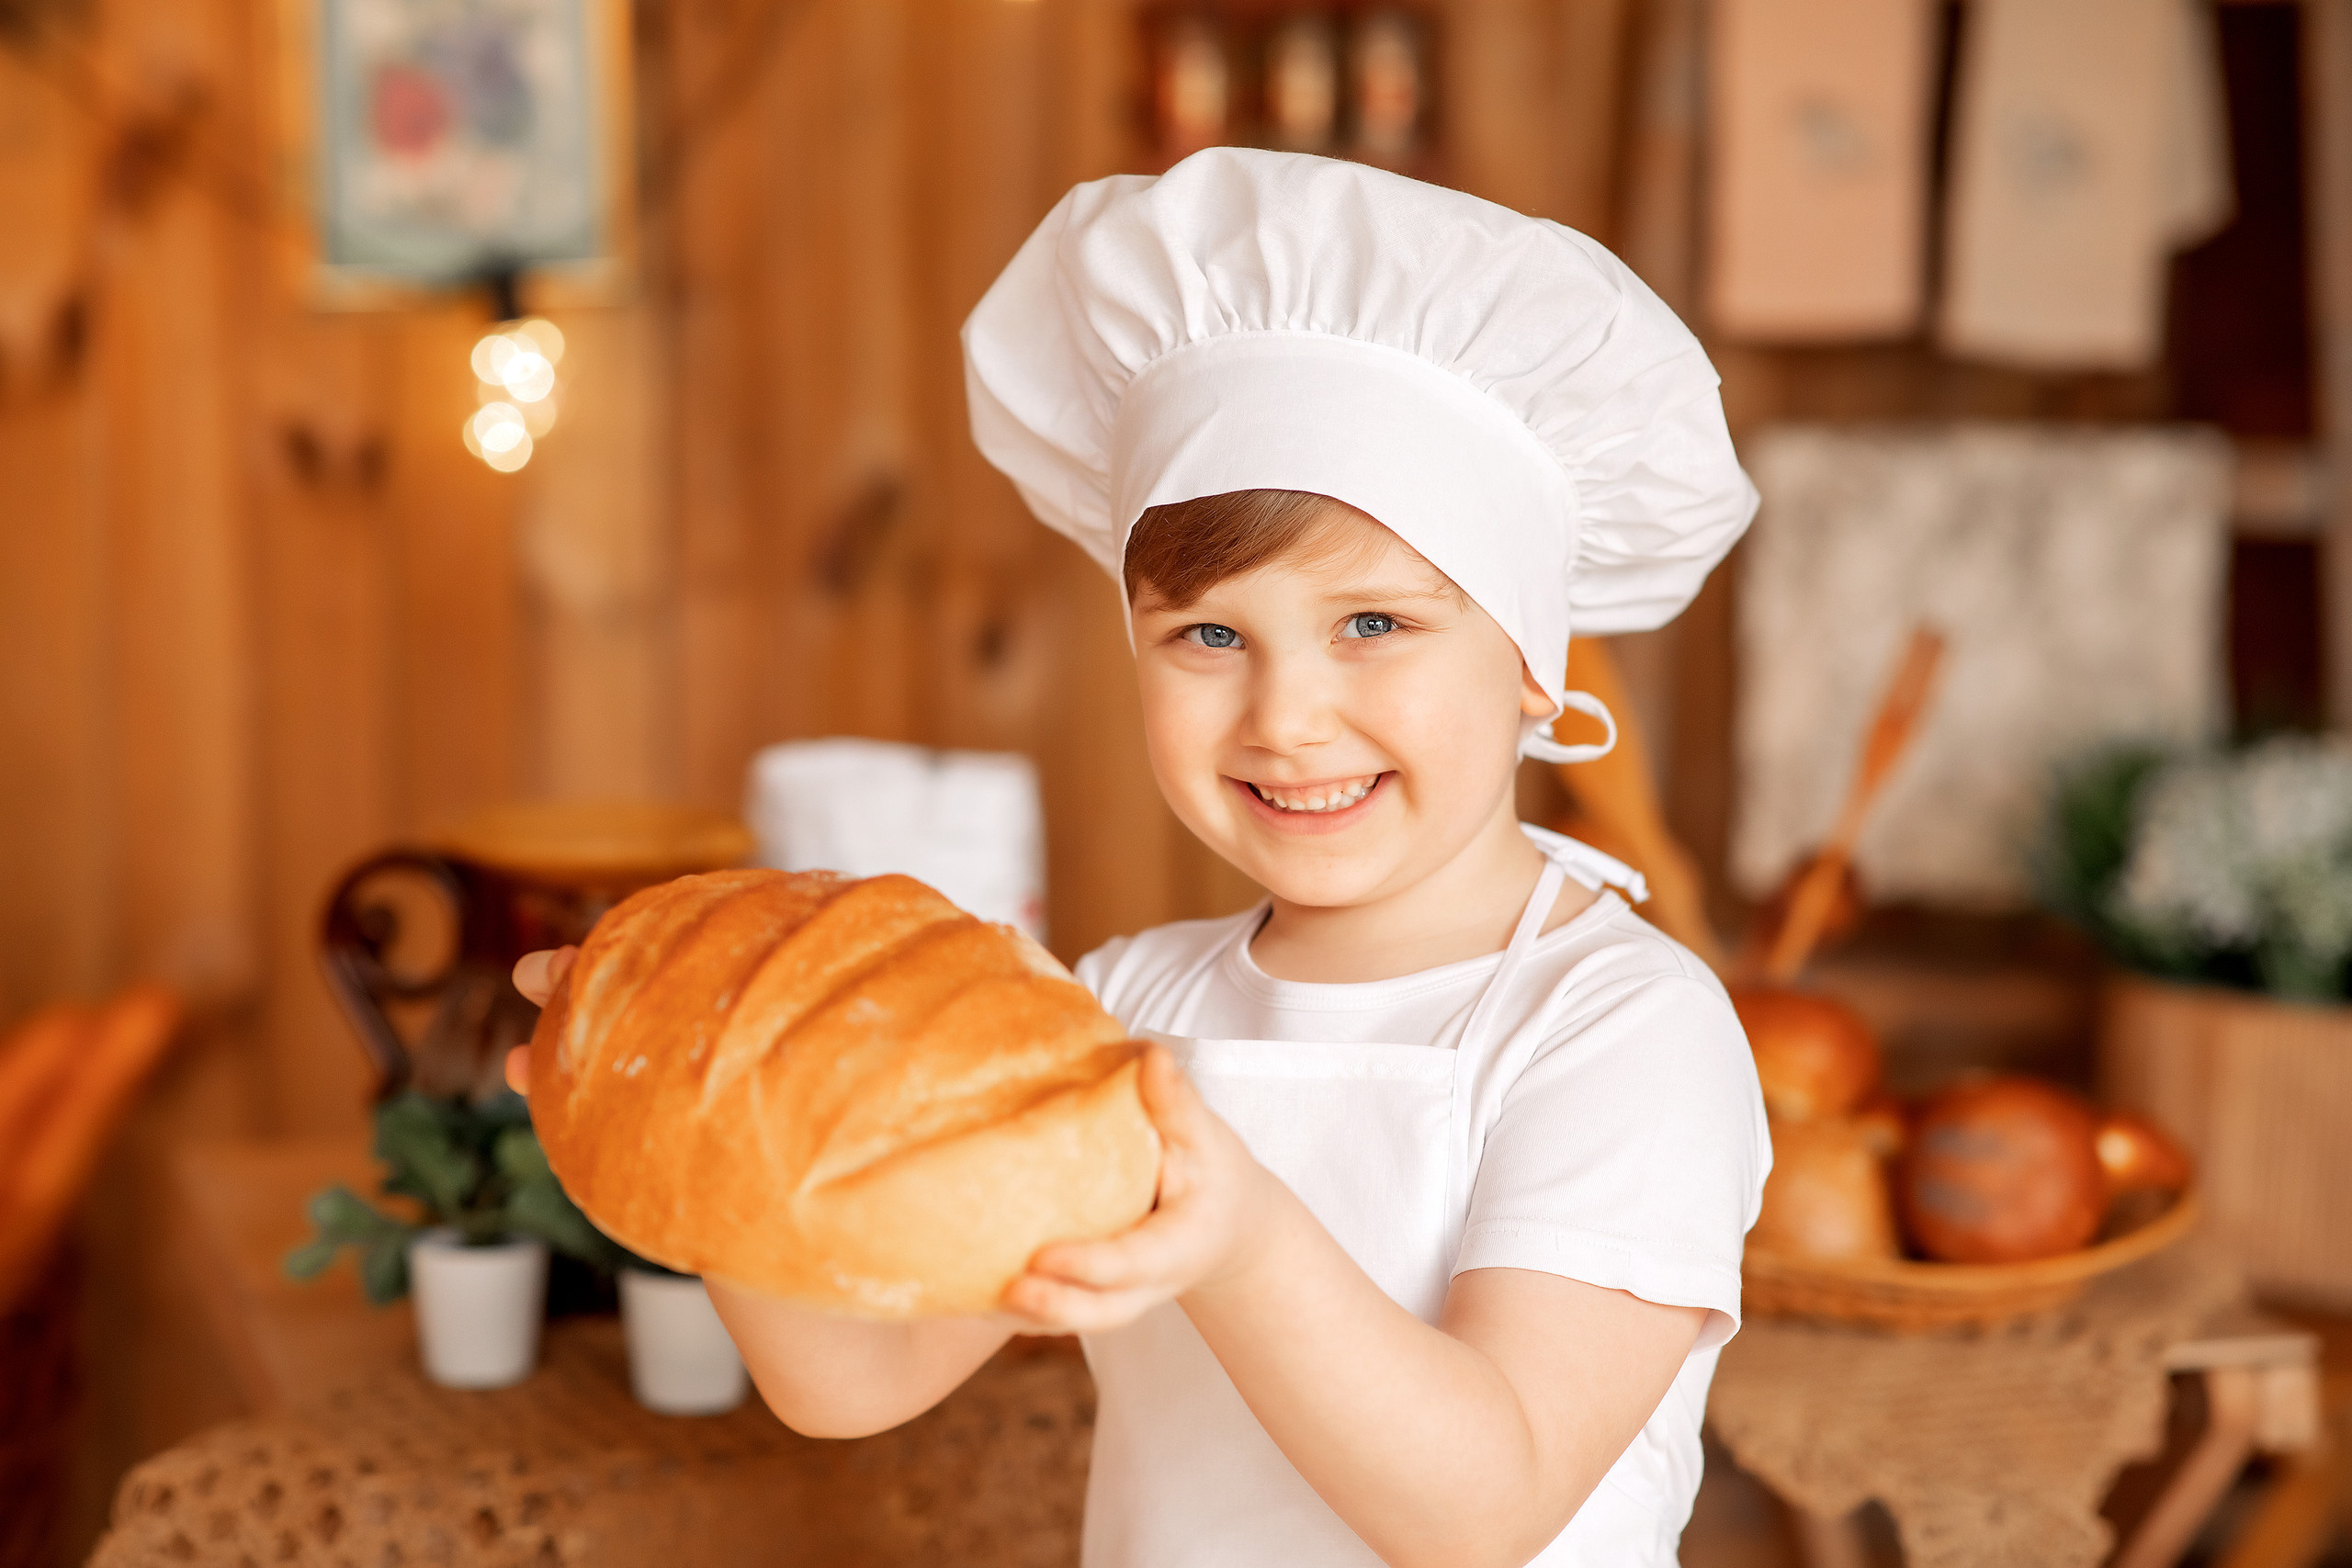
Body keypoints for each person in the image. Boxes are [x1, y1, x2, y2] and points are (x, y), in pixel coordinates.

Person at [509, 149, 1767, 1568]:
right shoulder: (1124, 1008)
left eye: (1376, 626)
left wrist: (1236, 1238)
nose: (1287, 718)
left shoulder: (1619, 1029)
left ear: (1537, 664)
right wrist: (701, 1096)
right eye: (1208, 637)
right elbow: (848, 1383)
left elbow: (1485, 1505)